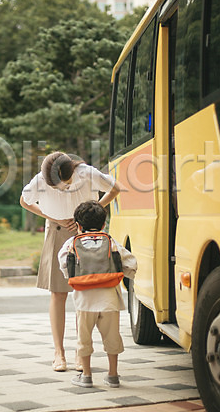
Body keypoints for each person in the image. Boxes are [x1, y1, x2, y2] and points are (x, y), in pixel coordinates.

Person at [20, 151, 121, 372]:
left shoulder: (86, 173)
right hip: (57, 231)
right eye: (55, 187)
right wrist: (53, 218)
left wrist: (92, 211)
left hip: (85, 234)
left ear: (71, 173)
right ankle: (58, 353)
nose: (60, 189)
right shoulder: (40, 180)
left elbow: (115, 188)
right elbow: (24, 201)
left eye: (63, 185)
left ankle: (79, 351)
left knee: (83, 293)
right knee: (58, 293)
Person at [58, 201, 137, 388]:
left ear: (78, 225)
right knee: (112, 337)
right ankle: (113, 375)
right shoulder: (110, 241)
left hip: (84, 301)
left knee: (84, 338)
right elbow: (131, 263)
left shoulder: (72, 243)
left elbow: (63, 264)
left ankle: (86, 376)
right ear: (104, 224)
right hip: (109, 300)